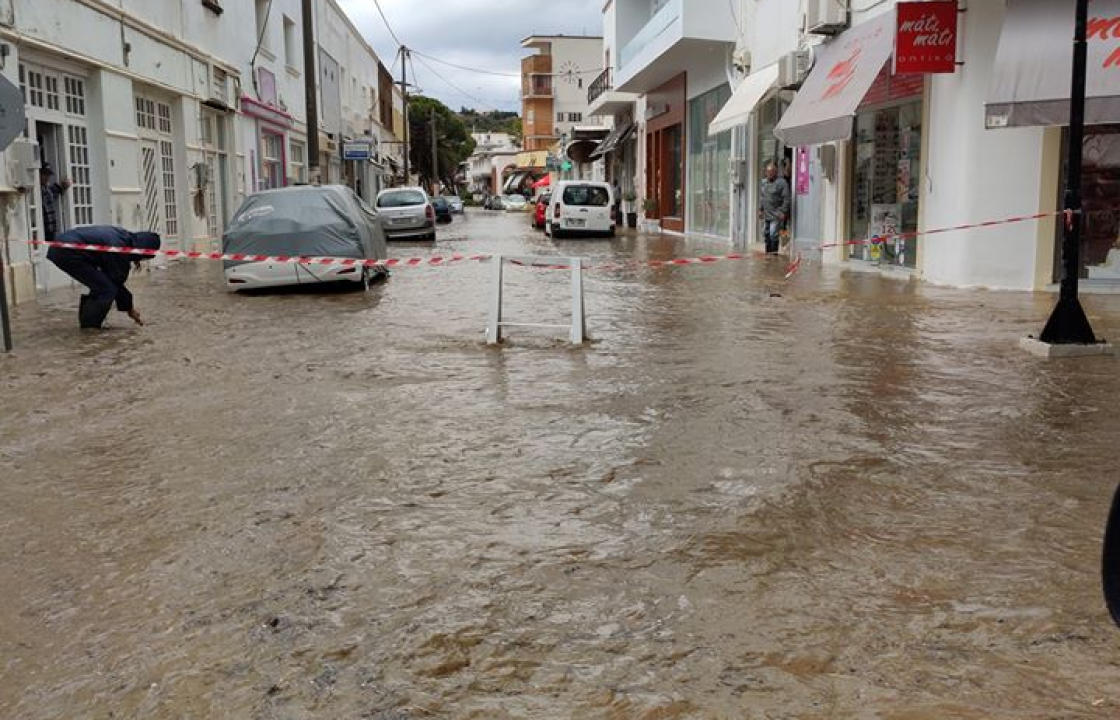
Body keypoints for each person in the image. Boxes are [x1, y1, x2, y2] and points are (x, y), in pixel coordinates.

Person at [46, 226, 161, 329]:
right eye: (145, 257)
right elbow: (116, 282)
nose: (141, 260)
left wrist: (128, 307)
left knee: (101, 285)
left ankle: (89, 325)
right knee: (106, 289)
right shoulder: (119, 249)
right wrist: (130, 309)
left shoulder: (123, 237)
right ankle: (90, 330)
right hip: (68, 251)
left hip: (63, 246)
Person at [758, 162, 790, 255]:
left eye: (772, 172)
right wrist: (760, 209)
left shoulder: (782, 183)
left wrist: (782, 211)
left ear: (776, 172)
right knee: (766, 234)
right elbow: (762, 197)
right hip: (767, 213)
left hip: (776, 214)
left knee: (773, 234)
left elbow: (786, 198)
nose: (769, 174)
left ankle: (773, 255)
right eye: (768, 172)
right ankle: (768, 254)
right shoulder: (764, 183)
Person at [38, 163, 71, 241]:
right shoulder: (37, 190)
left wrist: (62, 187)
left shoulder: (46, 189)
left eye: (48, 175)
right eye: (44, 174)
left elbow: (52, 193)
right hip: (42, 229)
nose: (47, 177)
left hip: (51, 228)